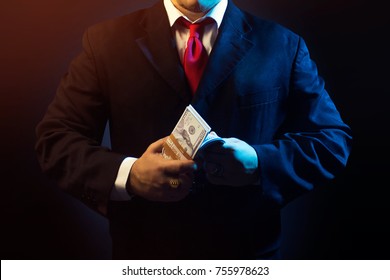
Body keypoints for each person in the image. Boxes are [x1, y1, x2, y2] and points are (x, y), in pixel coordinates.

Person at [35, 0, 352, 259]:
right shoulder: (105, 41)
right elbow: (56, 139)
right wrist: (130, 175)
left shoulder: (283, 44)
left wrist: (259, 163)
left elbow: (332, 141)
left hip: (247, 258)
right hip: (144, 257)